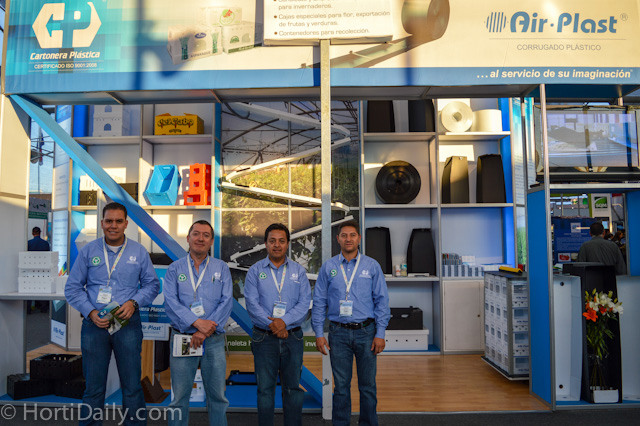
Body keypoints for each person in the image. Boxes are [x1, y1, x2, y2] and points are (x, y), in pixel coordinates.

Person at [65, 202, 160, 425]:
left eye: (118, 221)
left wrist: (134, 302)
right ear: (102, 223)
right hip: (94, 325)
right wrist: (90, 312)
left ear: (126, 224)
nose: (113, 226)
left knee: (132, 386)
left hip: (127, 323)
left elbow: (152, 285)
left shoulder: (138, 251)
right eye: (109, 221)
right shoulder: (88, 251)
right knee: (93, 387)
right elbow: (72, 288)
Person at [312, 220, 390, 426]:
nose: (348, 239)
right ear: (338, 239)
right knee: (341, 387)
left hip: (367, 332)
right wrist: (318, 333)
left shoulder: (372, 266)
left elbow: (382, 301)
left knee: (368, 386)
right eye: (344, 235)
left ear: (359, 239)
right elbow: (319, 302)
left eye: (352, 235)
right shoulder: (329, 267)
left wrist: (380, 333)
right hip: (338, 333)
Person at [163, 220, 232, 426]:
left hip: (213, 340)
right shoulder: (175, 268)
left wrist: (204, 330)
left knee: (218, 397)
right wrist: (196, 322)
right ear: (188, 238)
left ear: (211, 241)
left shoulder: (221, 268)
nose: (200, 238)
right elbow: (171, 302)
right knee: (179, 398)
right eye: (196, 234)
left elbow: (226, 301)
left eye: (206, 235)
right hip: (183, 338)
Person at [244, 223, 312, 426]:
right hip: (264, 338)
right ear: (265, 244)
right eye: (272, 241)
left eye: (281, 241)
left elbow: (304, 303)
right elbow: (252, 304)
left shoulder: (299, 271)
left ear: (287, 244)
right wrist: (274, 325)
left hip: (293, 337)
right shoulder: (255, 271)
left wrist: (284, 322)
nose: (277, 245)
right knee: (265, 389)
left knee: (293, 389)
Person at [28, 226, 51, 313]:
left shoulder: (28, 243)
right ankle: (43, 308)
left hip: (30, 269)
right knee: (42, 288)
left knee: (29, 289)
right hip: (43, 269)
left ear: (32, 233)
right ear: (40, 233)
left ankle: (28, 309)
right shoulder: (45, 244)